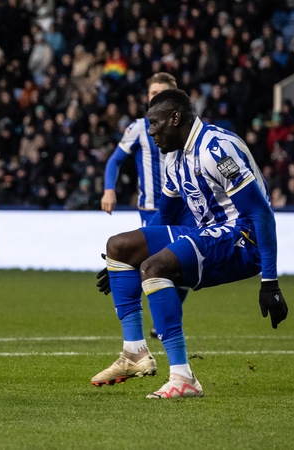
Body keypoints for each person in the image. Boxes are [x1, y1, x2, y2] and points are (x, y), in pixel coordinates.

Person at [93, 89, 288, 399]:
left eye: (154, 124)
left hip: (242, 238)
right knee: (118, 246)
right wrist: (124, 259)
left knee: (154, 268)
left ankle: (183, 377)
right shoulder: (177, 160)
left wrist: (270, 282)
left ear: (175, 118)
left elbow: (260, 213)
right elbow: (165, 216)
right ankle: (134, 353)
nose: (152, 132)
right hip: (208, 232)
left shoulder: (217, 150)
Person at [98, 72, 194, 338]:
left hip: (186, 208)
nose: (155, 97)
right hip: (152, 210)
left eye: (161, 93)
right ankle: (154, 327)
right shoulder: (139, 128)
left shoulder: (185, 129)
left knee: (179, 266)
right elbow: (114, 160)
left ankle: (161, 326)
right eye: (152, 93)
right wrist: (109, 189)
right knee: (153, 267)